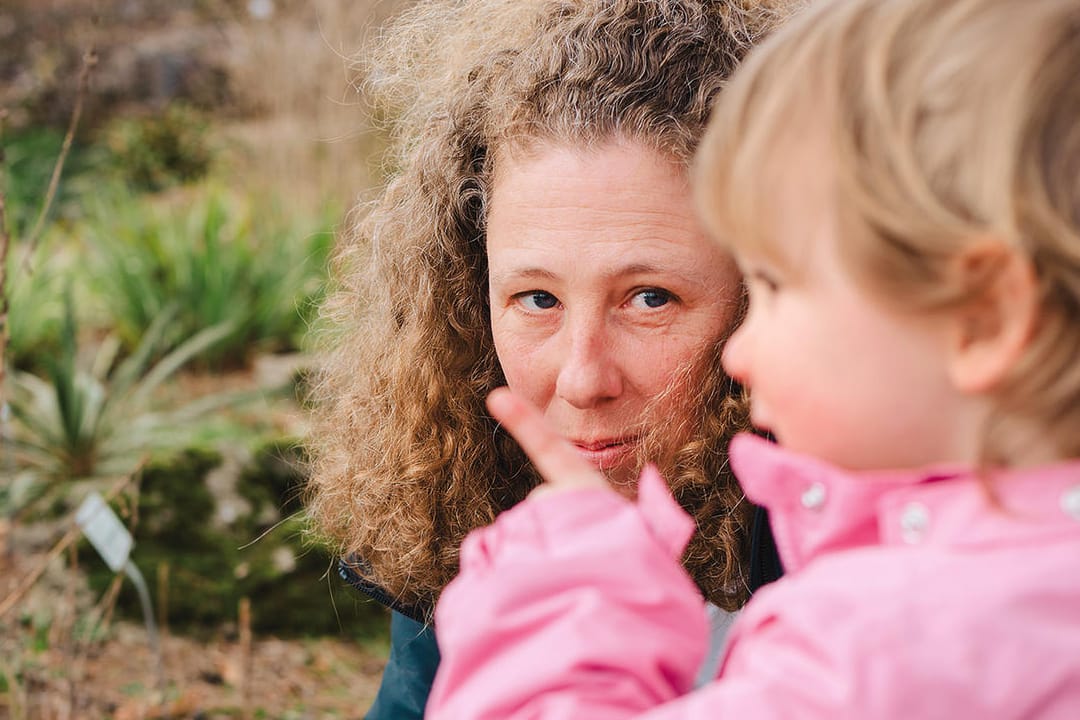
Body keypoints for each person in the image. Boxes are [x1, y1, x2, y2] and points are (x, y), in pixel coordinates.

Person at [425, 0, 1080, 716]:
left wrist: (571, 586)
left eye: (772, 284)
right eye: (537, 300)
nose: (740, 348)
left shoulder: (876, 647)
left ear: (983, 320)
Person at [304, 1, 791, 717]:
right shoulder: (476, 504)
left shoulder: (861, 545)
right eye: (536, 300)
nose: (582, 379)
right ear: (470, 297)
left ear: (766, 290)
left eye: (649, 298)